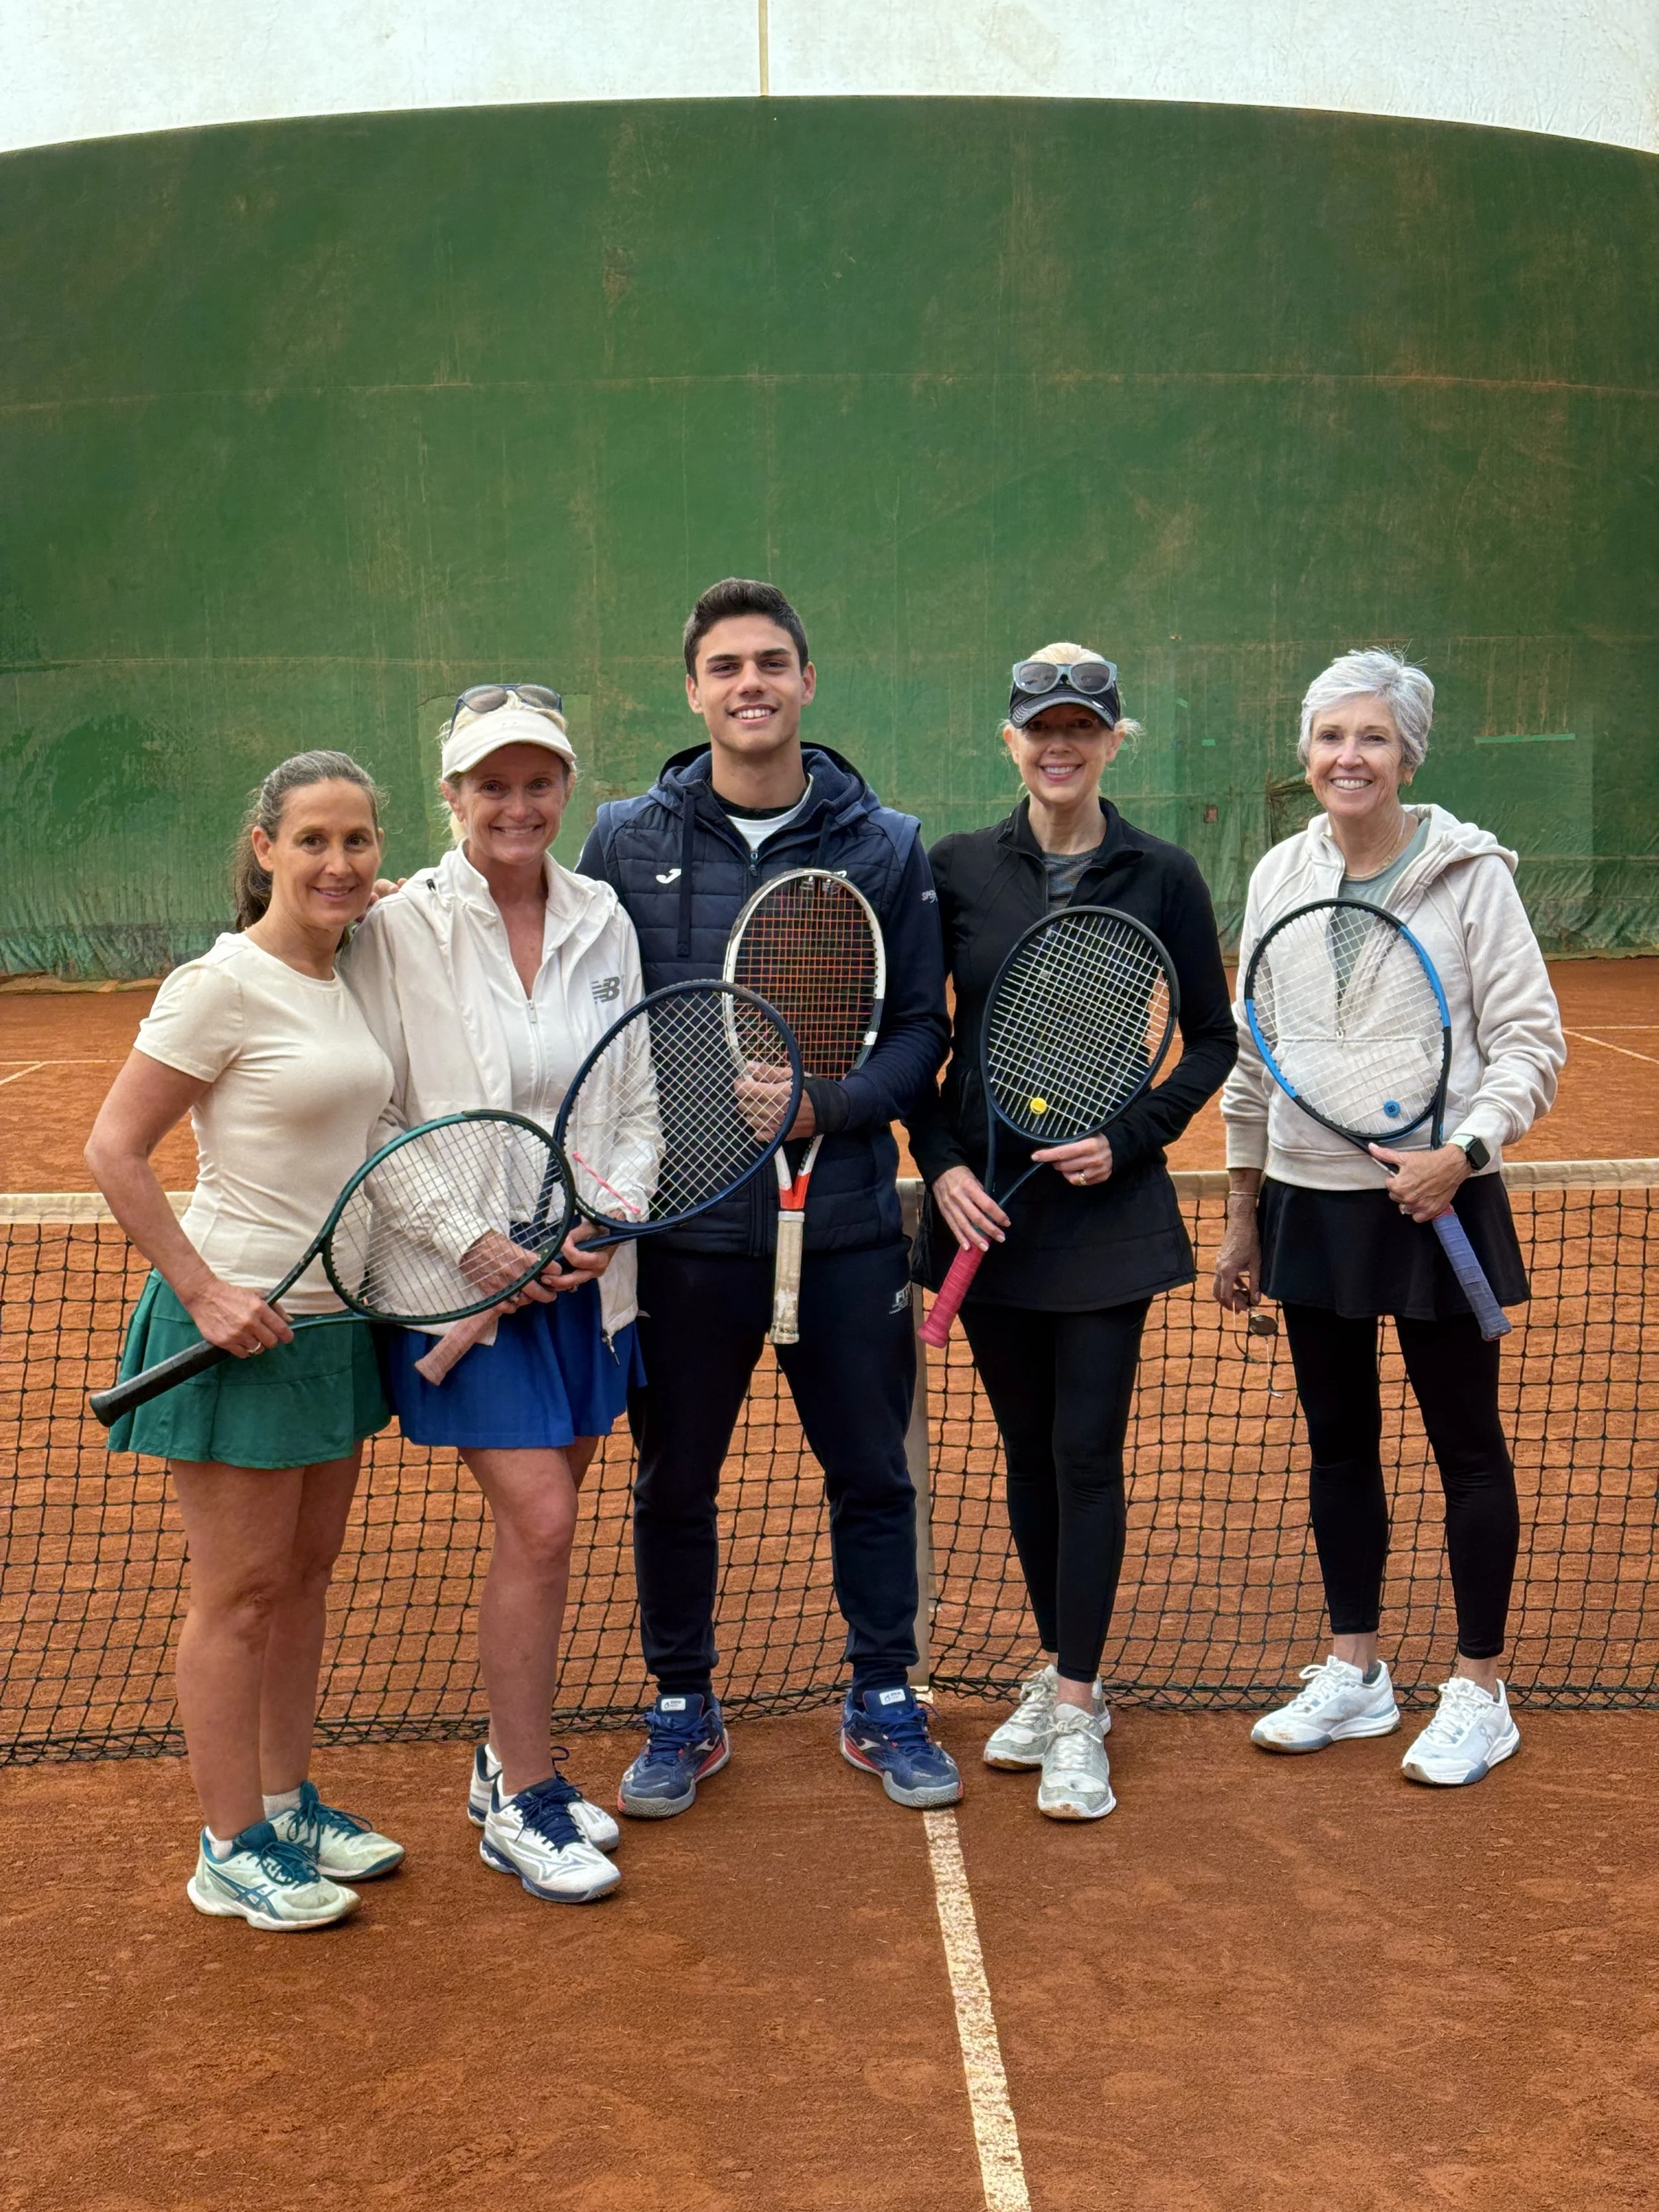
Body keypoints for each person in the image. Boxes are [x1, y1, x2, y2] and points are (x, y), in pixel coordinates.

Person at [577, 577, 959, 1815]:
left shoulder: (885, 846)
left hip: (843, 1228)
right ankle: (681, 1703)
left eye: (773, 663)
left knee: (871, 1474)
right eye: (727, 665)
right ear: (693, 691)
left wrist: (826, 1108)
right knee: (674, 1479)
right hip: (685, 1237)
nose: (751, 683)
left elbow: (916, 1034)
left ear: (806, 683)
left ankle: (884, 1692)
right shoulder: (627, 838)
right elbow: (579, 1001)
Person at [1212, 650, 1565, 1785]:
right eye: (1328, 737)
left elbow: (1530, 1046)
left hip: (1436, 1201)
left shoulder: (1471, 879)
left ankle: (1479, 1688)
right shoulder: (1279, 873)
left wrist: (1460, 1154)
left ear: (1408, 753)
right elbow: (1254, 1053)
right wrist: (1241, 1209)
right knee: (1338, 1444)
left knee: (1466, 1446)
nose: (1346, 757)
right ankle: (1357, 1671)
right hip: (1312, 1201)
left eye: (1370, 738)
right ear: (1305, 752)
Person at [907, 644, 1238, 1819]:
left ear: (1110, 740)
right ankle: (1059, 1669)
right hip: (986, 1214)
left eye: (1082, 728)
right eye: (1040, 727)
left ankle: (1083, 1705)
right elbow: (918, 1045)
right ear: (1010, 739)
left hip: (1104, 1217)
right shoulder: (952, 870)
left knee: (1088, 1453)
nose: (1060, 745)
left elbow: (1210, 1036)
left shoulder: (1164, 874)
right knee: (1029, 1453)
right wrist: (941, 1168)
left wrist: (1134, 1135)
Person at [86, 752, 404, 1931]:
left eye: (359, 841)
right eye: (313, 840)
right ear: (263, 845)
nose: (339, 862)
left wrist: (382, 894)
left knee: (305, 1581)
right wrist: (206, 1291)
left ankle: (284, 1799)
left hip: (333, 1323)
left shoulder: (354, 965)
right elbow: (114, 1152)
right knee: (238, 1597)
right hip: (236, 1327)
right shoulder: (217, 984)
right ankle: (228, 1846)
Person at [344, 685, 646, 1903]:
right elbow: (375, 1108)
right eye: (491, 784)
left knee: (546, 1532)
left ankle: (507, 1763)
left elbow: (635, 1097)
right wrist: (474, 1244)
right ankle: (524, 1796)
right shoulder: (400, 925)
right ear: (452, 797)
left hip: (584, 1278)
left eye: (537, 781)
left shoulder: (604, 915)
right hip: (452, 1280)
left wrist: (602, 1215)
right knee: (542, 1522)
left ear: (565, 789)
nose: (516, 804)